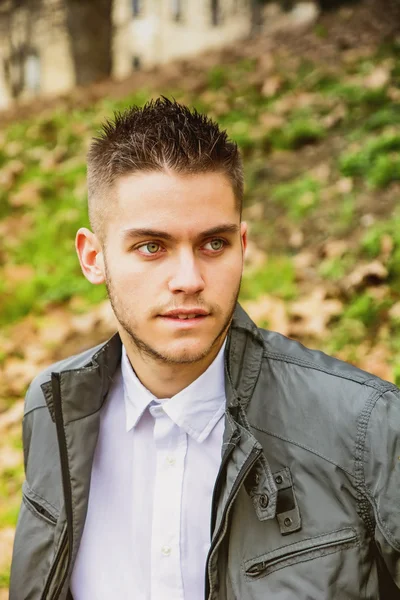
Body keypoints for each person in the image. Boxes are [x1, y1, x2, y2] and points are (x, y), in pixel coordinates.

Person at [10, 97, 400, 600]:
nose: (189, 279)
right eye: (152, 247)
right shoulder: (56, 409)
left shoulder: (366, 425)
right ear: (93, 257)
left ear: (242, 245)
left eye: (213, 244)